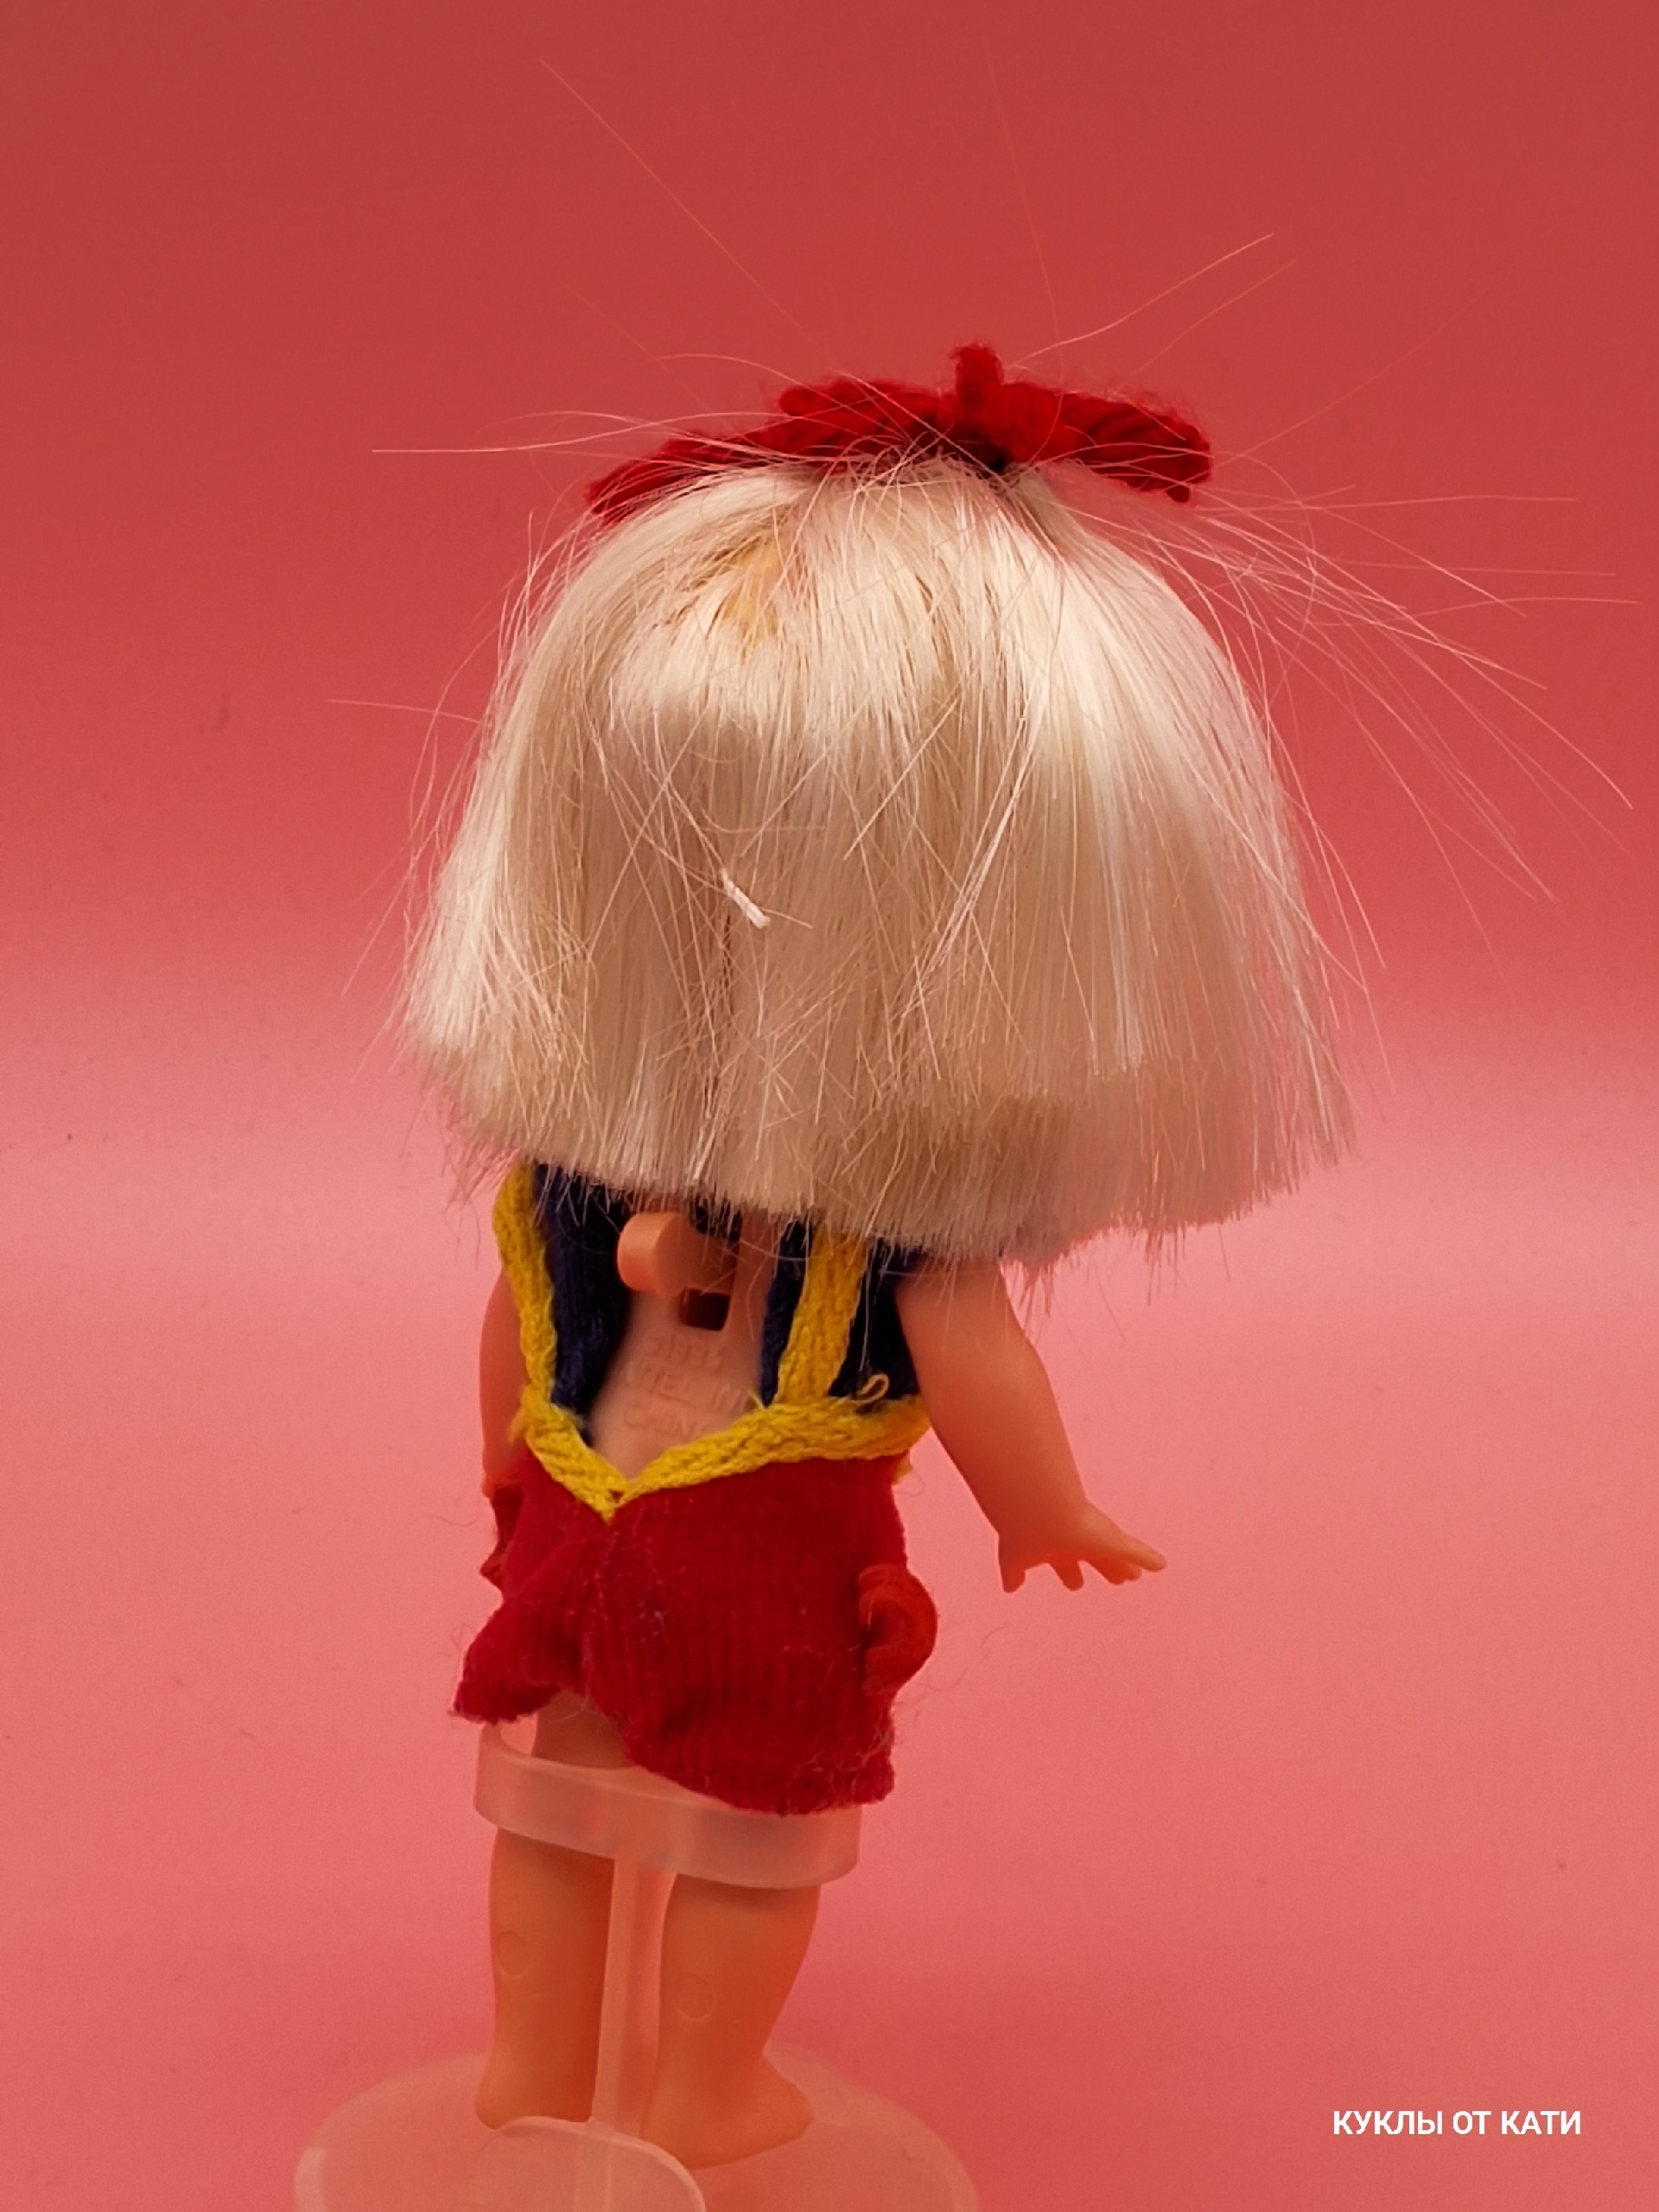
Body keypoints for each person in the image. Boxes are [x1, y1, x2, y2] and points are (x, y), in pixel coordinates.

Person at [404, 346, 1347, 2168]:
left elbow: (512, 1328)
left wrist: (509, 1457)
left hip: (588, 1499)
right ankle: (698, 2089)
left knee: (562, 1776)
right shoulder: (883, 1215)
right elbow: (971, 1347)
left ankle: (534, 2062)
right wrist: (1043, 1505)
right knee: (756, 1816)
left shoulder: (582, 1173)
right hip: (764, 1537)